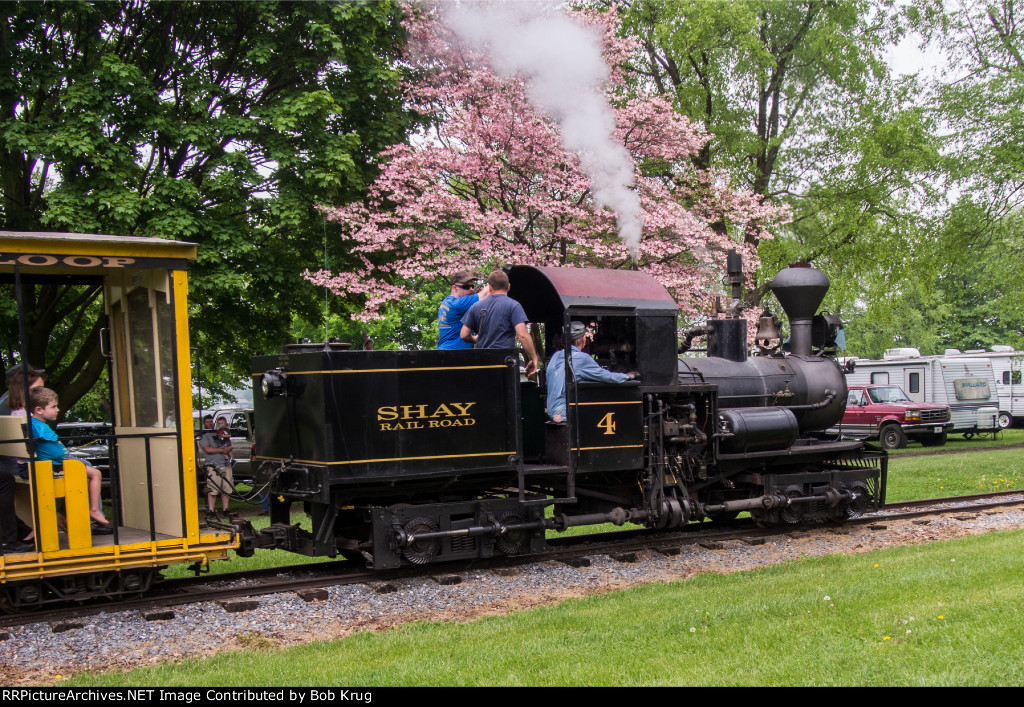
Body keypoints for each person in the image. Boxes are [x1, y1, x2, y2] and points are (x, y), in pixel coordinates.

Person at [28, 387, 113, 533]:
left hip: (52, 465)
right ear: (39, 410)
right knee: (95, 474)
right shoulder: (40, 427)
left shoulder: (36, 425)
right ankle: (94, 510)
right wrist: (65, 455)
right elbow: (55, 452)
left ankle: (68, 517)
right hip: (53, 467)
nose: (58, 410)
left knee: (85, 473)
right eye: (53, 406)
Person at [546, 321, 637, 423]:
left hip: (551, 411)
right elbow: (607, 377)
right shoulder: (581, 358)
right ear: (581, 339)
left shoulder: (556, 356)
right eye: (585, 336)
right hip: (564, 412)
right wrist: (628, 376)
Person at [459, 270, 539, 377]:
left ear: (490, 287)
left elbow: (464, 334)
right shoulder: (513, 306)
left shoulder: (476, 306)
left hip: (482, 363)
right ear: (509, 286)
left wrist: (475, 339)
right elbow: (523, 335)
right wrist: (534, 357)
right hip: (505, 363)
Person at [0, 364, 43, 553]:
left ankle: (22, 532)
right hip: (15, 462)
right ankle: (9, 541)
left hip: (11, 460)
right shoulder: (17, 409)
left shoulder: (8, 403)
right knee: (4, 481)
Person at [437, 272, 489, 349]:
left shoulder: (446, 302)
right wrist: (499, 277)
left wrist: (474, 338)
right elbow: (484, 295)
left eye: (472, 286)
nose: (471, 289)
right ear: (455, 288)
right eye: (466, 286)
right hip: (455, 353)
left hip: (445, 351)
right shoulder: (458, 304)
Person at [201, 415, 233, 521]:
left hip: (225, 464)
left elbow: (229, 444)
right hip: (213, 465)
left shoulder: (219, 432)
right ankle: (211, 510)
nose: (210, 424)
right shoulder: (205, 436)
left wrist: (227, 450)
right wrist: (221, 450)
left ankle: (226, 509)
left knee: (226, 488)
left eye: (211, 422)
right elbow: (208, 449)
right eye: (208, 422)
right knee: (213, 489)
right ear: (204, 424)